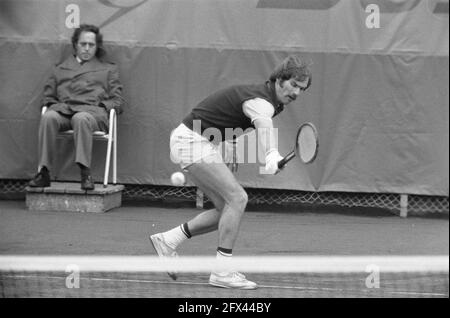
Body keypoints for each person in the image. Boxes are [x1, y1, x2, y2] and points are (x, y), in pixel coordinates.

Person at [150, 55, 312, 289]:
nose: (296, 93)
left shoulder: (270, 100)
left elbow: (227, 112)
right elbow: (263, 125)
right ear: (279, 80)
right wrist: (271, 155)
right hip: (192, 141)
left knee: (226, 208)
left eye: (302, 89)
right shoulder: (264, 102)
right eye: (294, 85)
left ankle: (167, 240)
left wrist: (229, 143)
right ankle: (222, 272)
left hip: (194, 140)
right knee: (238, 198)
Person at [28, 24, 124, 190]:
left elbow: (118, 101)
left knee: (81, 118)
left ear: (97, 46)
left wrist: (101, 105)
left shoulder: (108, 69)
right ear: (75, 45)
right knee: (49, 117)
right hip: (65, 111)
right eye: (83, 44)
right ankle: (43, 172)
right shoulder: (60, 68)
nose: (87, 49)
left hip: (92, 114)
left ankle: (85, 172)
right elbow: (48, 97)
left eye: (91, 45)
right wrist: (51, 105)